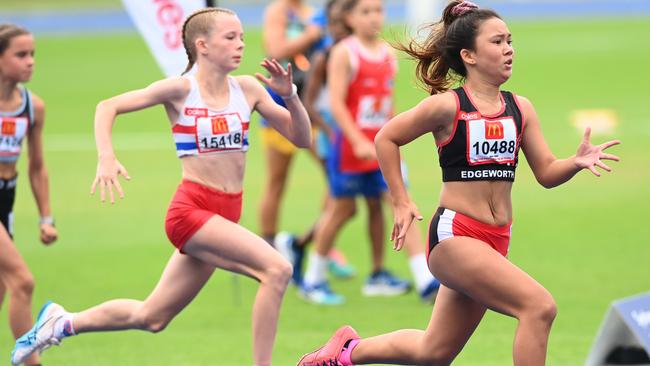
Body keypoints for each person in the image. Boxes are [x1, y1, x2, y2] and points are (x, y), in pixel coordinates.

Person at [296, 1, 620, 364]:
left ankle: (346, 351)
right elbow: (386, 137)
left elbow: (545, 173)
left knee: (433, 352)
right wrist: (401, 201)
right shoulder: (448, 106)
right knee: (538, 307)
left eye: (510, 40)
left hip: (496, 240)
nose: (509, 49)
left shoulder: (520, 108)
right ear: (469, 55)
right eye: (497, 42)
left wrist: (575, 162)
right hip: (456, 237)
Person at [11, 8, 311, 366]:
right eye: (230, 38)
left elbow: (301, 138)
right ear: (202, 45)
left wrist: (289, 95)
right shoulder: (181, 89)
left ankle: (62, 323)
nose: (240, 45)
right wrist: (106, 156)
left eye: (242, 37)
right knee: (277, 270)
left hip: (226, 215)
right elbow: (108, 106)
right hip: (192, 212)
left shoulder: (247, 88)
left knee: (152, 317)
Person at [299, 0, 416, 305]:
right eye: (366, 12)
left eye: (378, 11)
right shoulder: (344, 52)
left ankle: (378, 274)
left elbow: (387, 103)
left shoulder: (388, 54)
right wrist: (357, 140)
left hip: (379, 147)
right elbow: (336, 103)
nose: (374, 18)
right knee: (341, 209)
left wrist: (394, 140)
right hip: (350, 149)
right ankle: (313, 278)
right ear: (349, 17)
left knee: (380, 206)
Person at [0, 23, 58, 366]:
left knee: (4, 288)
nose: (30, 61)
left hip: (6, 200)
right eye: (21, 55)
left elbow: (37, 167)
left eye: (33, 54)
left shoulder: (33, 107)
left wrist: (45, 217)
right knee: (22, 280)